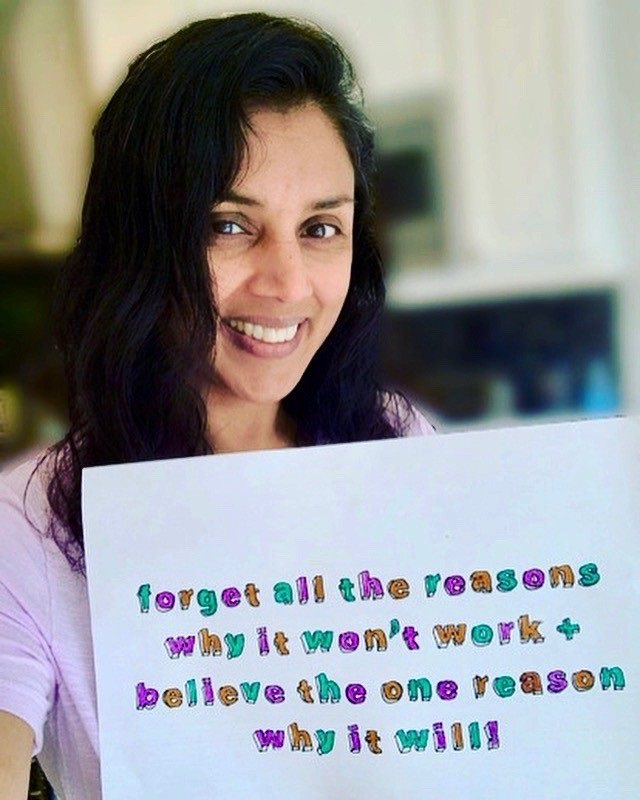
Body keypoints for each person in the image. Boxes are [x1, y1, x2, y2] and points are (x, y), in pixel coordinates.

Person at [0, 13, 432, 799]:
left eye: (321, 227)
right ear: (142, 242)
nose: (289, 283)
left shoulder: (402, 441)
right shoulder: (26, 524)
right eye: (228, 224)